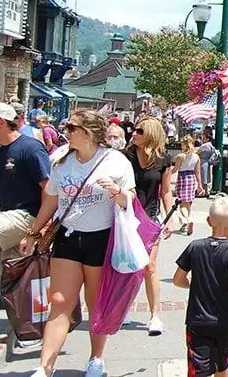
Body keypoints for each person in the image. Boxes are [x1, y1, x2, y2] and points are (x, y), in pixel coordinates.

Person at [28, 109, 137, 377]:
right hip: (68, 235)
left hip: (101, 237)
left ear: (88, 132)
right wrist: (33, 231)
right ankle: (45, 367)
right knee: (60, 301)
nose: (66, 132)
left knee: (95, 302)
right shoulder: (61, 162)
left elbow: (130, 201)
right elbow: (51, 200)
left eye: (72, 128)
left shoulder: (115, 161)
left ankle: (96, 359)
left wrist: (117, 192)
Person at [0, 103, 52, 318]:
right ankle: (28, 325)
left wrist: (39, 227)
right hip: (7, 215)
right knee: (19, 277)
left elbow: (49, 188)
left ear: (2, 123)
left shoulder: (30, 148)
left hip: (27, 215)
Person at [172, 197, 228, 377]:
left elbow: (177, 279)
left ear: (209, 222)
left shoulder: (195, 247)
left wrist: (194, 284)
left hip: (198, 319)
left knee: (196, 369)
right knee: (221, 363)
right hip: (224, 320)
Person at [125, 116, 173, 336]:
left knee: (149, 266)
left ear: (151, 134)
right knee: (126, 265)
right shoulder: (125, 157)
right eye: (134, 130)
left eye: (139, 130)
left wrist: (170, 217)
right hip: (126, 216)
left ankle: (155, 315)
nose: (134, 133)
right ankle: (122, 309)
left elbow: (165, 191)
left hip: (151, 217)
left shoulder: (163, 160)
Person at [174, 136, 202, 235]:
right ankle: (185, 225)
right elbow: (197, 172)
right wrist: (200, 185)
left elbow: (175, 169)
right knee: (188, 203)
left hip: (182, 178)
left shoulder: (181, 156)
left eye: (182, 144)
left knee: (182, 204)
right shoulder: (196, 157)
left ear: (185, 144)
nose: (181, 146)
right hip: (192, 178)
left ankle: (187, 220)